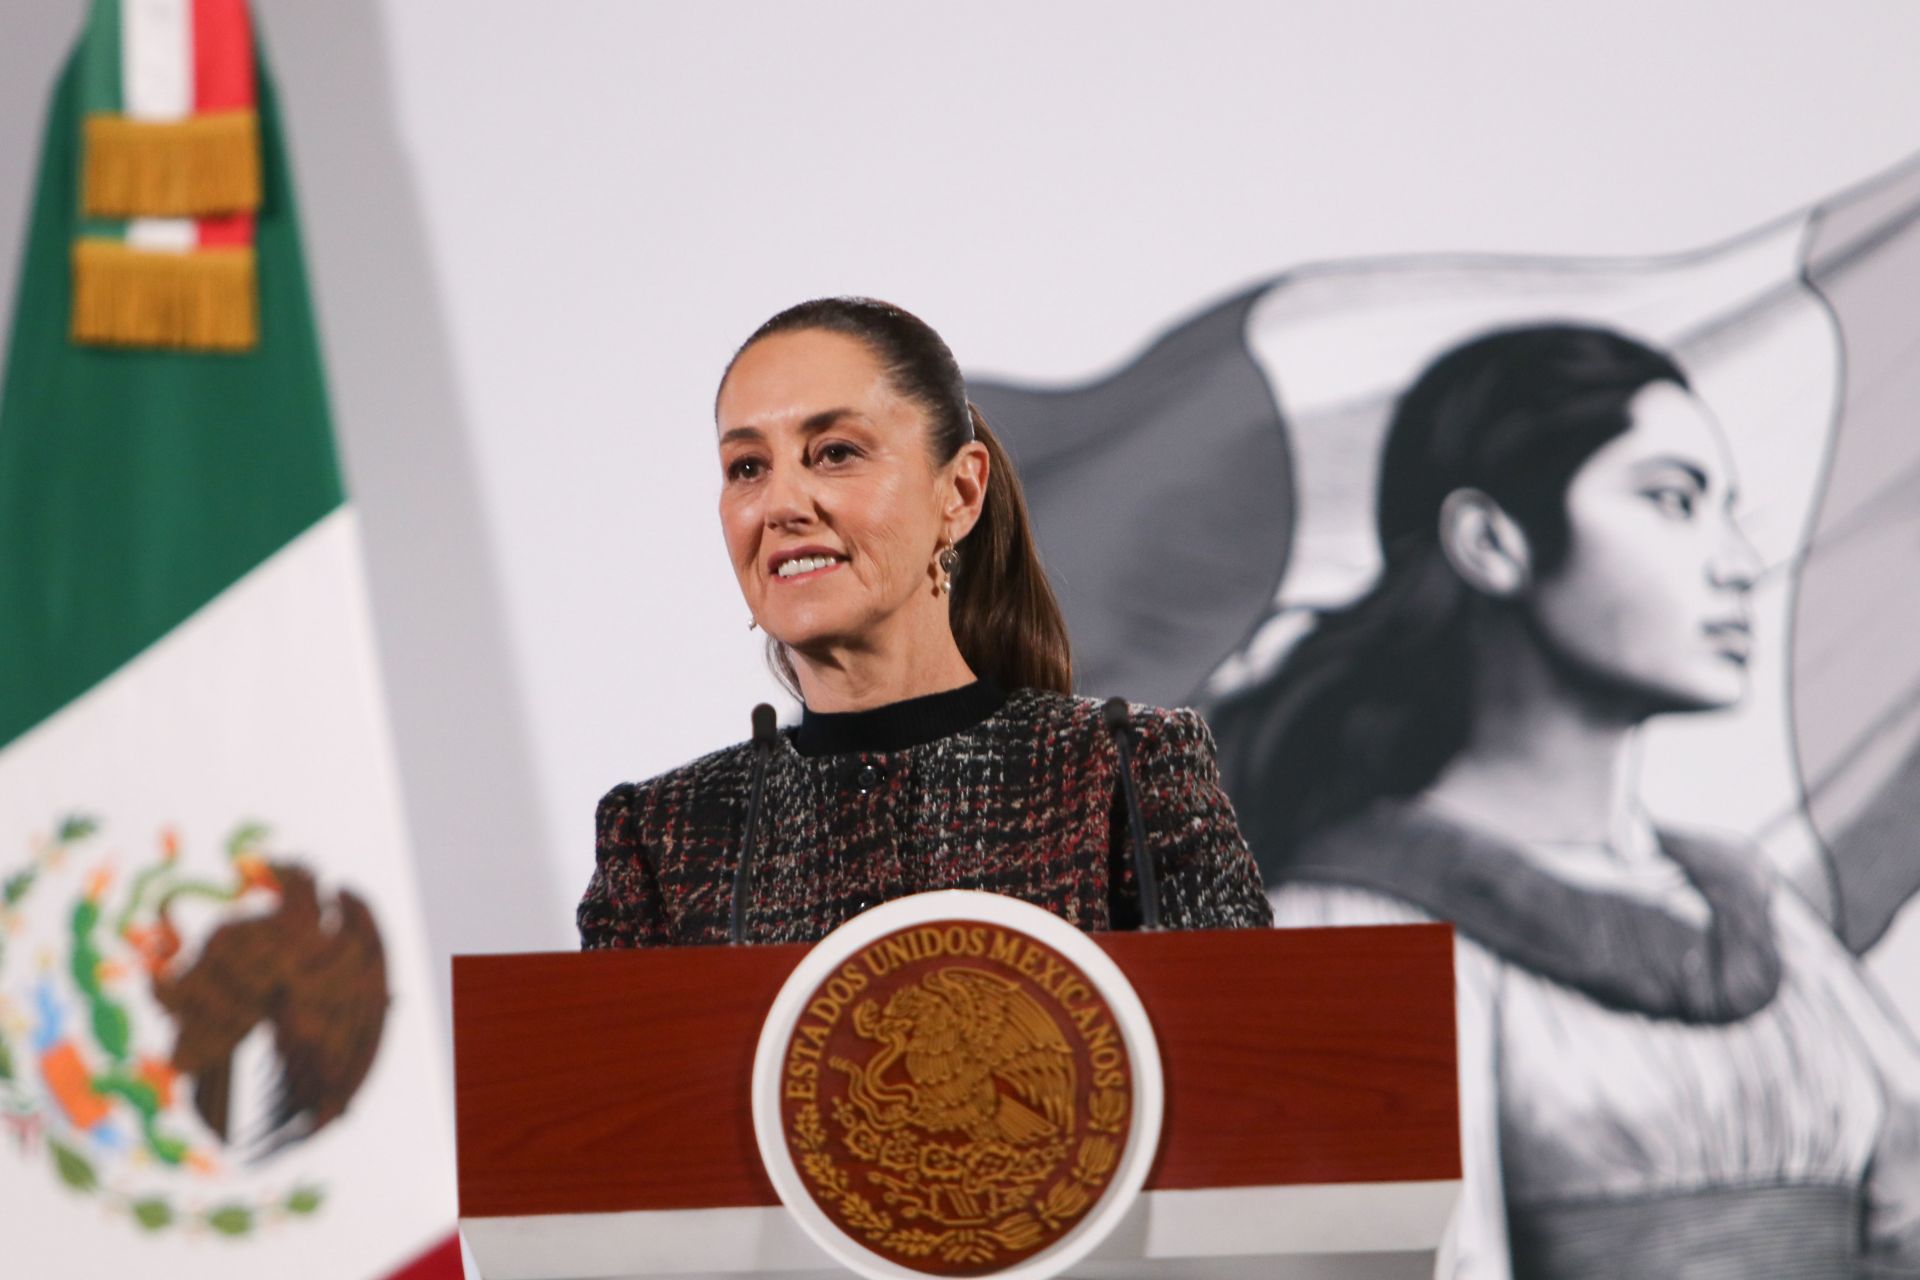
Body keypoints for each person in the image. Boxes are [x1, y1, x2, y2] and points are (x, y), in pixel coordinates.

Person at [1208, 324, 1920, 1278]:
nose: (1740, 563)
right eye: (1673, 501)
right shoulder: (1336, 941)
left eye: (1728, 511)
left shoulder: (1759, 915)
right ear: (1491, 541)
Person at [578, 297, 1270, 949]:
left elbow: (1253, 1058)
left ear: (961, 492)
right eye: (748, 466)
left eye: (835, 453)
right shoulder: (662, 838)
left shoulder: (1121, 772)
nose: (780, 503)